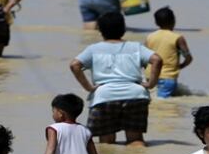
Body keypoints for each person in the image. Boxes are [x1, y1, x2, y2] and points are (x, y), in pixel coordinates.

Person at [69, 11, 162, 146]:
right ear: (123, 29)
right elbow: (157, 60)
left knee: (107, 143)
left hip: (104, 96)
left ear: (100, 30)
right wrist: (151, 84)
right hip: (135, 94)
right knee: (135, 140)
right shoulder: (136, 47)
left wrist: (89, 87)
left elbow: (74, 65)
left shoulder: (93, 49)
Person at [144, 6, 193, 99]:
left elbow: (143, 58)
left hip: (150, 76)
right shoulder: (177, 38)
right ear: (173, 21)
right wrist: (180, 66)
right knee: (164, 105)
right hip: (168, 77)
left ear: (156, 22)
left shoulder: (150, 37)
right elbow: (188, 58)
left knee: (152, 103)